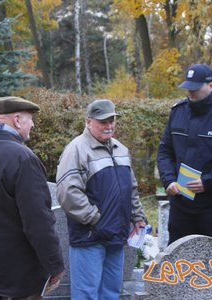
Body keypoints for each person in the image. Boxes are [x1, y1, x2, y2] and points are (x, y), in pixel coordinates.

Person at [0, 96, 64, 300]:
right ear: (17, 120)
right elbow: (38, 222)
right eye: (30, 119)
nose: (33, 124)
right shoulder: (23, 158)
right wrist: (55, 265)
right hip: (22, 278)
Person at [56, 99, 146, 300]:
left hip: (116, 235)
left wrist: (138, 218)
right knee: (86, 295)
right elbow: (67, 192)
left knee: (111, 294)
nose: (109, 125)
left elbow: (130, 188)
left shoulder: (120, 149)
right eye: (103, 121)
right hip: (90, 237)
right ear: (88, 122)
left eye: (112, 120)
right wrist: (95, 219)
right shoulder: (76, 150)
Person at [157, 64, 212, 244]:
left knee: (211, 260)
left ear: (211, 86)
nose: (190, 92)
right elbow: (165, 151)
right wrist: (169, 180)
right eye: (188, 88)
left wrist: (208, 181)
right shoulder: (178, 112)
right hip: (180, 203)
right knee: (178, 260)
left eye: (195, 88)